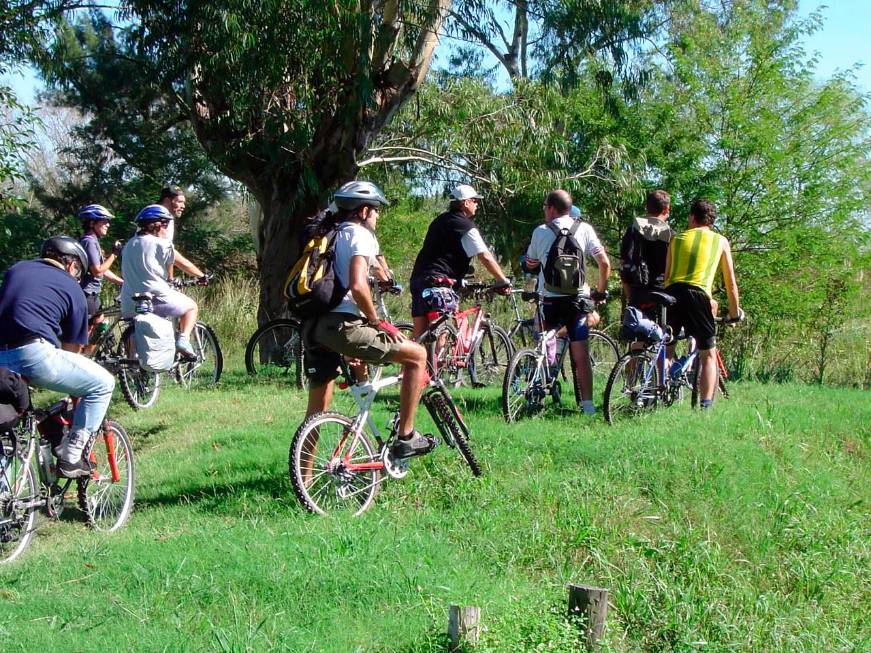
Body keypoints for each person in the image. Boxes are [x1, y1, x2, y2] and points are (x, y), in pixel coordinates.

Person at [302, 181, 434, 459]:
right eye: (376, 210)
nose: (378, 216)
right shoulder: (360, 235)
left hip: (314, 327)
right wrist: (376, 321)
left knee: (316, 412)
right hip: (342, 326)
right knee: (418, 356)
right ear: (363, 212)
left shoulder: (330, 232)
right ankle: (406, 437)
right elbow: (358, 285)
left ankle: (305, 476)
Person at [0, 236, 115, 477]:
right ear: (72, 265)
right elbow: (71, 351)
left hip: (2, 359)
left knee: (13, 423)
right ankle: (72, 456)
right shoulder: (73, 288)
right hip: (34, 355)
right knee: (103, 383)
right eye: (78, 272)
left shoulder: (16, 269)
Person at [522, 190, 612, 415]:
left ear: (551, 208)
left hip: (549, 300)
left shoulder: (541, 231)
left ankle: (537, 392)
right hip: (577, 300)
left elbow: (531, 264)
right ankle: (588, 406)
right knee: (580, 353)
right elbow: (605, 263)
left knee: (544, 343)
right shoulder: (584, 229)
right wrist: (599, 292)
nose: (544, 210)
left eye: (545, 206)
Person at [664, 198, 742, 409]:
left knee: (667, 348)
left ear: (692, 217)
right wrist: (734, 314)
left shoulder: (676, 239)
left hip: (671, 294)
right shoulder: (720, 241)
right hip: (698, 295)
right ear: (712, 221)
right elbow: (731, 284)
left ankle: (658, 393)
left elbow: (667, 276)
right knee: (708, 354)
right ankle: (705, 406)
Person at [409, 184, 511, 340]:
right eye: (475, 200)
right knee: (441, 335)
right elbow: (484, 255)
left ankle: (415, 363)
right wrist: (502, 280)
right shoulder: (465, 226)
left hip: (419, 280)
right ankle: (439, 363)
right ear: (465, 202)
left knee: (418, 338)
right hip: (439, 283)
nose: (477, 204)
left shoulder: (439, 220)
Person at [120, 204, 203, 359]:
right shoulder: (162, 243)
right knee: (191, 307)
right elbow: (183, 263)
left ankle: (132, 364)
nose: (167, 230)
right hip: (155, 299)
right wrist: (201, 276)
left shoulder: (128, 245)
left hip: (129, 302)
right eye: (166, 225)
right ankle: (183, 341)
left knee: (135, 325)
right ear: (158, 225)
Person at [78, 204, 124, 350]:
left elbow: (103, 270)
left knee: (99, 323)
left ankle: (88, 355)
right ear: (92, 223)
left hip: (92, 294)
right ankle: (82, 357)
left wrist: (122, 282)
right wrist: (114, 255)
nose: (108, 225)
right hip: (86, 294)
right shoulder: (89, 241)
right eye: (104, 221)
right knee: (85, 331)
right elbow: (97, 270)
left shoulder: (93, 241)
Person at [619, 190, 673, 312]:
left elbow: (623, 265)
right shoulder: (671, 235)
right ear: (666, 209)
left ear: (647, 207)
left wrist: (630, 296)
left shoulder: (632, 231)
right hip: (662, 294)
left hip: (637, 291)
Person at [156, 185, 207, 281]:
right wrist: (200, 275)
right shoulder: (162, 217)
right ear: (167, 201)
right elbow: (169, 252)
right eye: (179, 202)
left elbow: (167, 253)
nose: (183, 206)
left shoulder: (154, 213)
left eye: (184, 203)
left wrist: (170, 278)